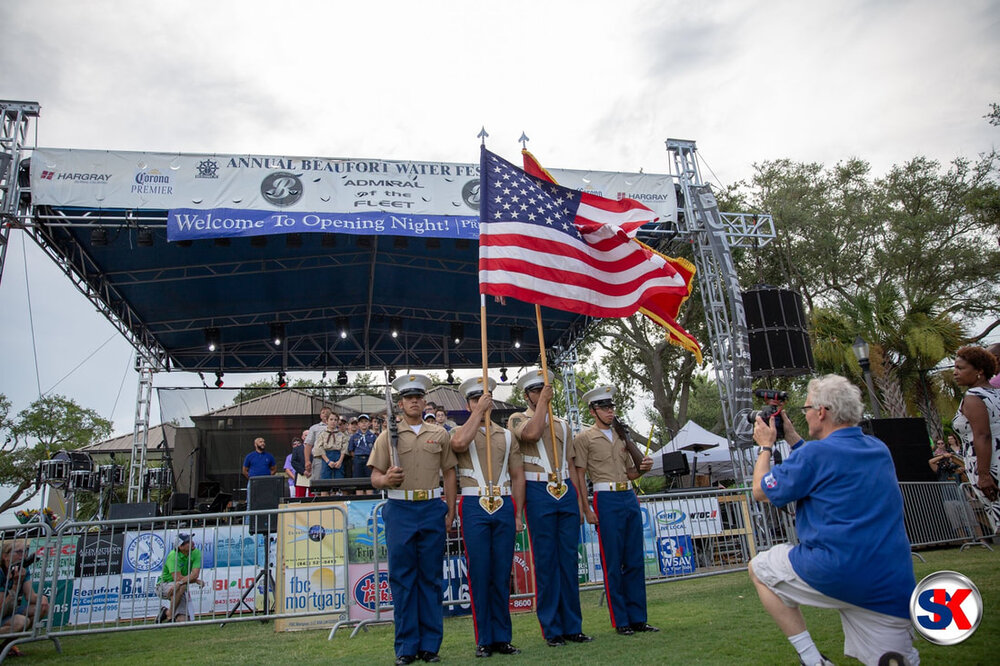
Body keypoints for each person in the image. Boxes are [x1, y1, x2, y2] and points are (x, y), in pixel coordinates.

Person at [748, 374, 919, 666]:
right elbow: (828, 465)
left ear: (822, 412)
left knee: (759, 568)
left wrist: (766, 446)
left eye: (807, 409)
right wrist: (792, 437)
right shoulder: (878, 449)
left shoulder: (815, 455)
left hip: (833, 569)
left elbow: (760, 490)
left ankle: (813, 660)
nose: (806, 414)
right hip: (888, 581)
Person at [369, 374, 457, 666]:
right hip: (400, 509)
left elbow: (449, 473)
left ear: (424, 400)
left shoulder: (440, 433)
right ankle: (406, 647)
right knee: (403, 580)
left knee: (431, 579)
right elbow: (374, 476)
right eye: (408, 398)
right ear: (400, 402)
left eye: (418, 397)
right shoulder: (387, 436)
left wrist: (451, 510)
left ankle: (430, 646)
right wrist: (386, 478)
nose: (414, 401)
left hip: (431, 506)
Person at [507, 369, 590, 647]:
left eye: (544, 389)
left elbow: (571, 464)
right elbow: (531, 433)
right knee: (545, 562)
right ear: (527, 395)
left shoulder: (563, 424)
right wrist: (542, 403)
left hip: (564, 488)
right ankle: (552, 629)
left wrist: (579, 503)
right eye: (535, 390)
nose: (541, 393)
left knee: (568, 561)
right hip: (538, 489)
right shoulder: (518, 418)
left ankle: (573, 626)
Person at [572, 386, 656, 636]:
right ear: (592, 411)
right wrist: (585, 508)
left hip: (628, 494)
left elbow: (631, 472)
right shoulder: (584, 438)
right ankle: (621, 620)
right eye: (604, 408)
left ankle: (638, 617)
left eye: (611, 407)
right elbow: (579, 475)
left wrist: (643, 469)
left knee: (634, 560)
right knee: (613, 561)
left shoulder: (622, 437)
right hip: (605, 497)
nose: (610, 412)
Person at [451, 376, 526, 658]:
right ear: (468, 403)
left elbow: (517, 475)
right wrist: (476, 414)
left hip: (503, 503)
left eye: (483, 399)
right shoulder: (459, 429)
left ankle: (502, 637)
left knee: (500, 573)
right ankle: (484, 638)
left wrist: (517, 513)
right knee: (480, 573)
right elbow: (459, 444)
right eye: (474, 400)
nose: (481, 403)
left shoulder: (507, 435)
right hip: (474, 503)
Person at [952, 345, 1000, 533]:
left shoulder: (973, 397)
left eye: (961, 368)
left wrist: (984, 474)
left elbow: (983, 435)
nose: (955, 373)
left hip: (989, 466)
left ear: (979, 371)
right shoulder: (996, 393)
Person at [1, 540, 49, 656]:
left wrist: (42, 598)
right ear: (5, 556)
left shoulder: (22, 569)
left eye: (25, 551)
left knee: (40, 608)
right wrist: (16, 584)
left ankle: (4, 648)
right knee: (21, 622)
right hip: (2, 610)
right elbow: (1, 608)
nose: (23, 556)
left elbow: (30, 596)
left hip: (8, 612)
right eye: (18, 552)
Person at [156, 533, 204, 623]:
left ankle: (167, 612)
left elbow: (195, 574)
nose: (192, 542)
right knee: (182, 586)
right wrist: (193, 580)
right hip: (163, 585)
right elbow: (178, 578)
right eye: (188, 542)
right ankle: (170, 615)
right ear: (180, 547)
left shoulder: (196, 552)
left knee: (183, 620)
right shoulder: (173, 556)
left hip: (179, 588)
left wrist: (184, 581)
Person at [350, 414, 377, 495]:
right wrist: (356, 457)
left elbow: (375, 449)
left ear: (369, 423)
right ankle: (359, 498)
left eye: (366, 421)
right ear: (358, 424)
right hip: (358, 459)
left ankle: (369, 498)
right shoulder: (354, 436)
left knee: (369, 481)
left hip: (369, 459)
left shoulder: (373, 436)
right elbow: (351, 450)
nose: (364, 424)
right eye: (361, 422)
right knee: (359, 482)